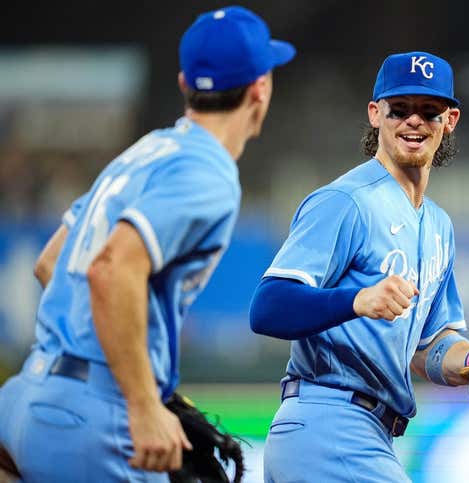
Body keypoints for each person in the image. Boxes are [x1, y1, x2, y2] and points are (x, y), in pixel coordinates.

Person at [0, 6, 295, 481]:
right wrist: (139, 399)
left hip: (27, 396)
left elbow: (52, 261)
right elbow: (111, 269)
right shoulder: (208, 172)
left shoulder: (144, 152)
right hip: (93, 416)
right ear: (261, 87)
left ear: (184, 83)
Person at [250, 51, 469, 482]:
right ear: (376, 114)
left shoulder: (438, 226)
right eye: (400, 109)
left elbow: (428, 348)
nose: (414, 121)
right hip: (329, 423)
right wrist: (357, 299)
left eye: (429, 111)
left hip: (372, 434)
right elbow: (268, 307)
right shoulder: (346, 202)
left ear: (450, 120)